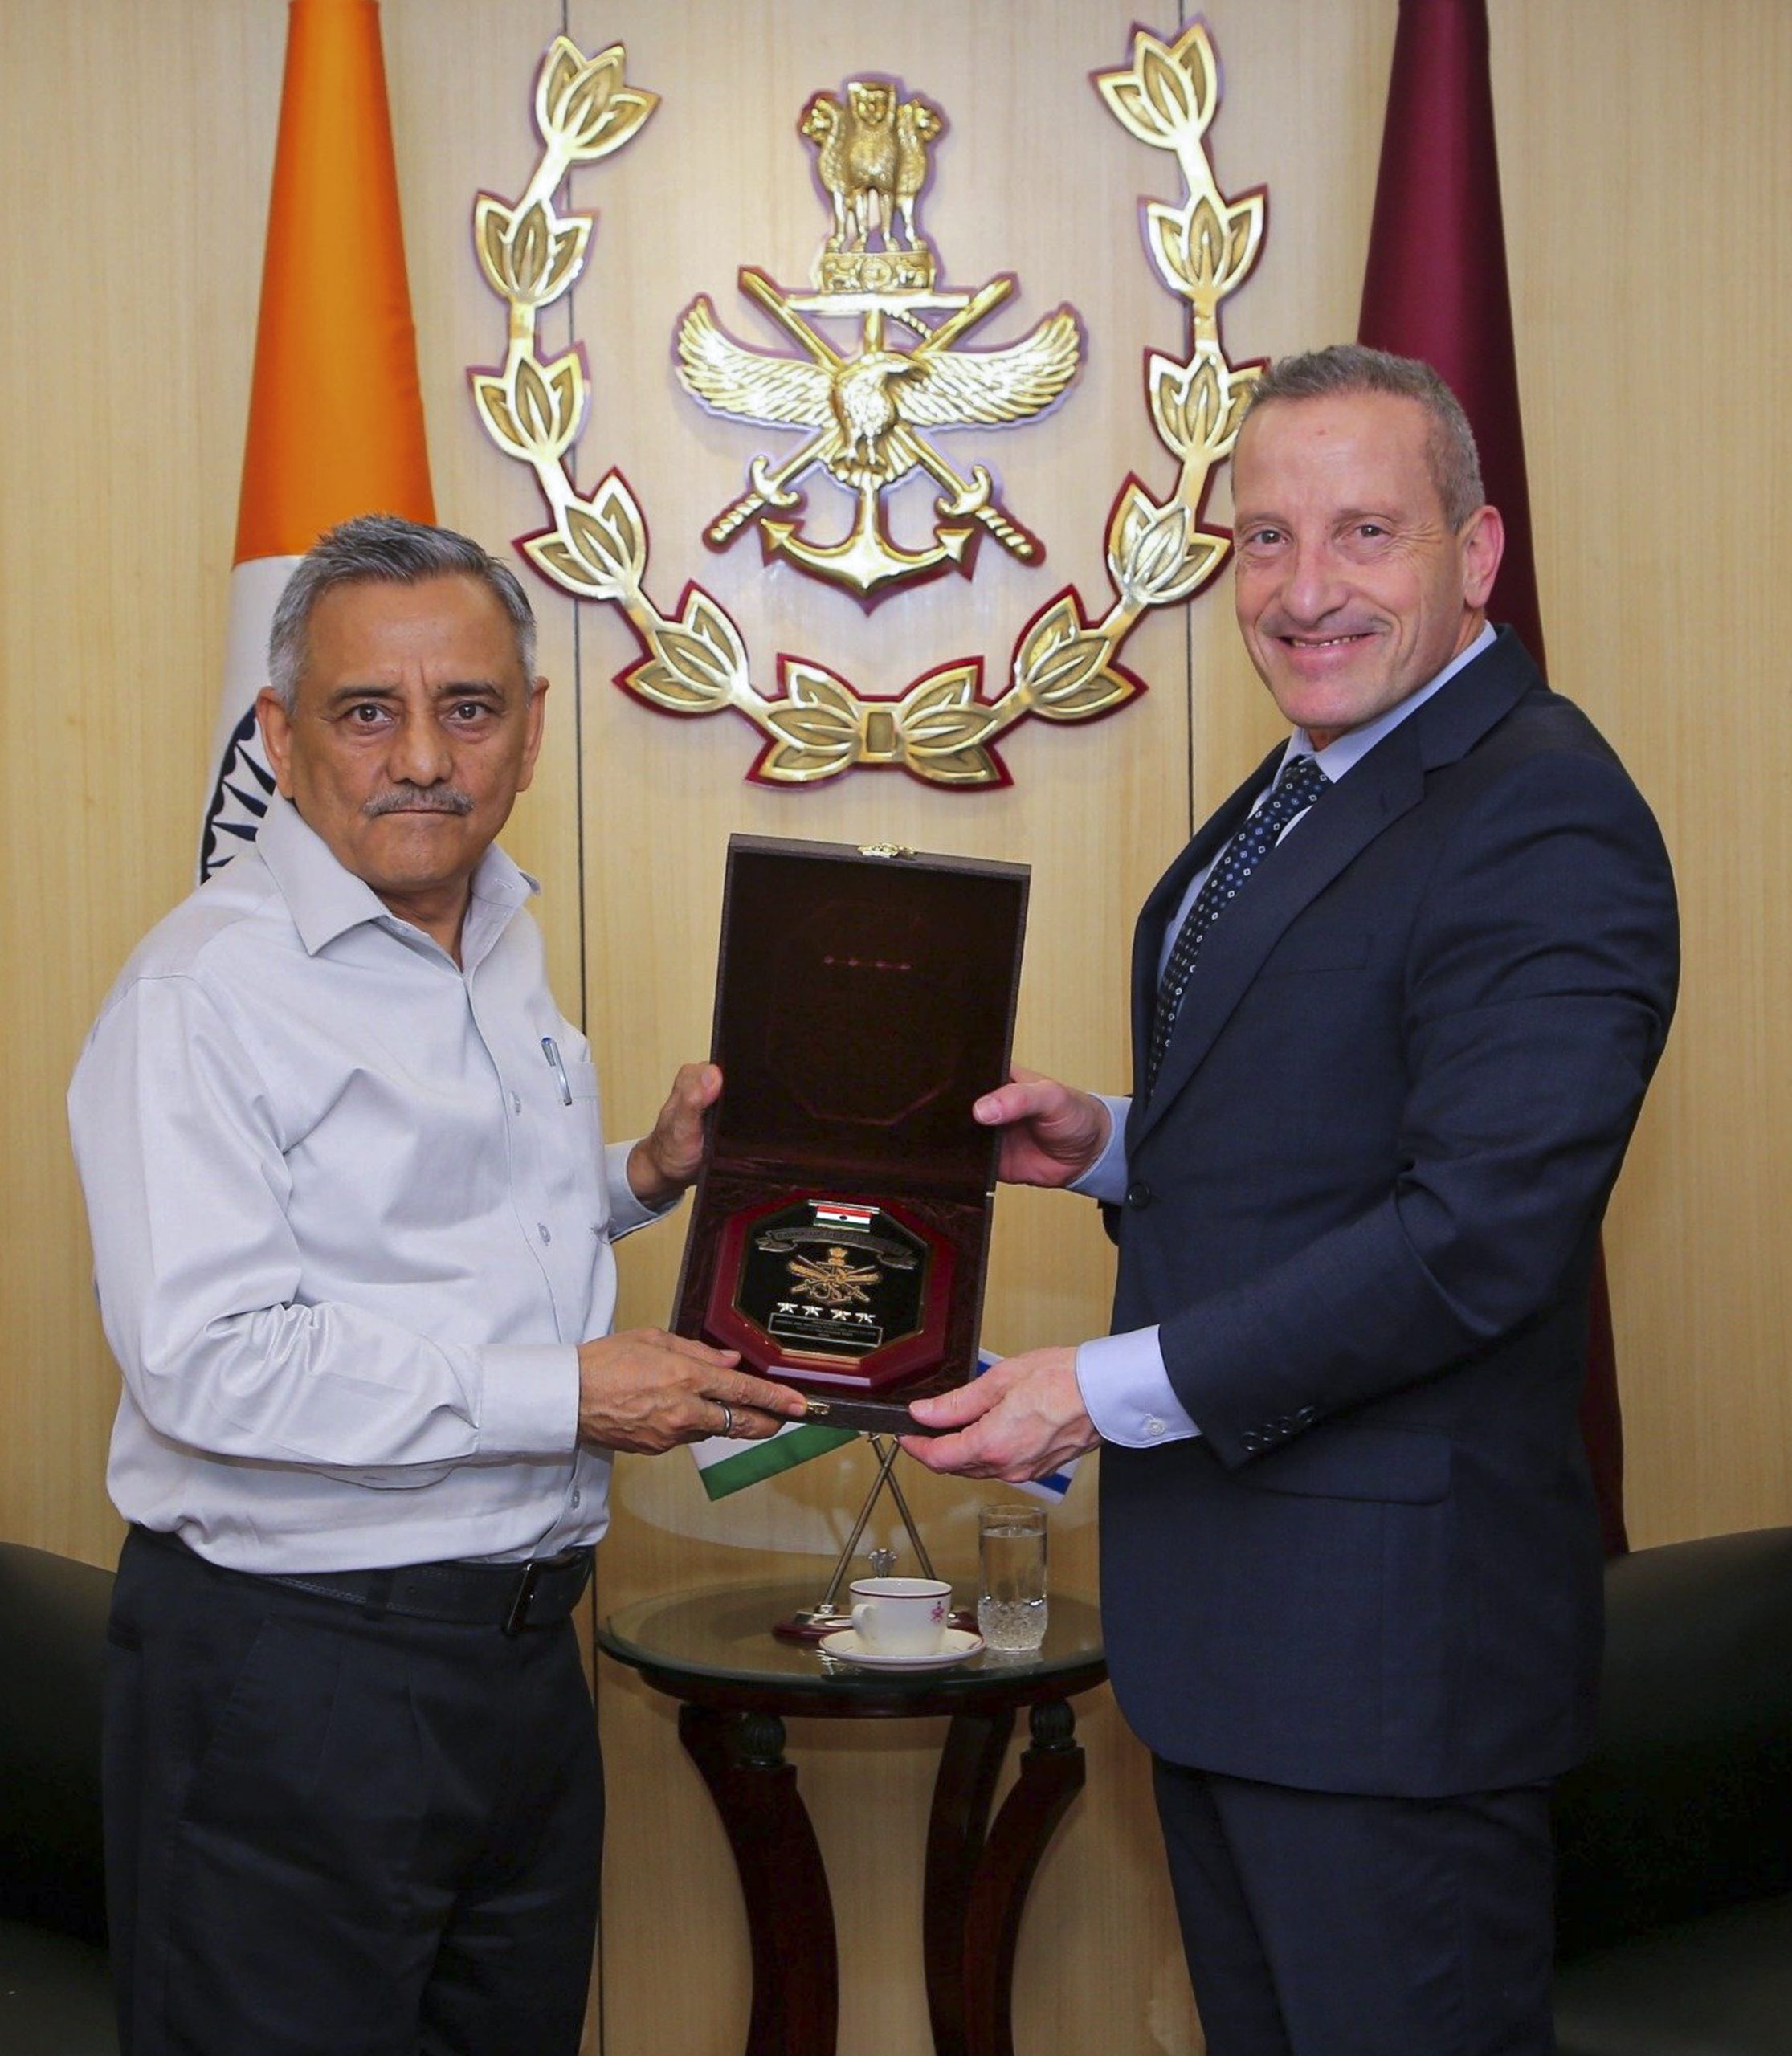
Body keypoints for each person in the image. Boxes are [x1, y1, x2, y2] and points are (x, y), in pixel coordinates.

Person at [903, 346, 1679, 2054]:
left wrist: (1097, 1388)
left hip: (1390, 1675)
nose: (1305, 588)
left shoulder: (1540, 809)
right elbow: (1339, 1117)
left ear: (1478, 552)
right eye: (1266, 537)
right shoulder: (1324, 768)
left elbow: (1474, 1236)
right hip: (1249, 1649)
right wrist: (1113, 1142)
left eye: (1365, 532)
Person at [67, 515, 809, 2056]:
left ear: (530, 730)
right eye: (366, 711)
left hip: (519, 1667)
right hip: (296, 1680)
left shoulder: (496, 938)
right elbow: (211, 1359)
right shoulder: (202, 994)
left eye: (467, 708)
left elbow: (435, 1230)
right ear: (279, 736)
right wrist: (566, 1397)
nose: (422, 758)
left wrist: (638, 1176)